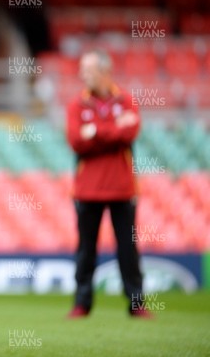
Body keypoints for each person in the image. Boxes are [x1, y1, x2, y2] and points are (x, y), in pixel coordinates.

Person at [65, 49, 153, 319]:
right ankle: (82, 304)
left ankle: (136, 303)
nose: (82, 75)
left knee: (128, 248)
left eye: (87, 69)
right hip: (87, 189)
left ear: (104, 72)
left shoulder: (125, 100)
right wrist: (113, 129)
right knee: (86, 250)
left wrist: (95, 132)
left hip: (122, 188)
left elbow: (130, 132)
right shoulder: (77, 104)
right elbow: (76, 140)